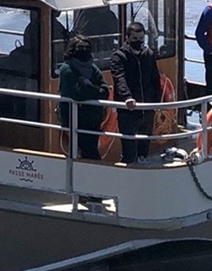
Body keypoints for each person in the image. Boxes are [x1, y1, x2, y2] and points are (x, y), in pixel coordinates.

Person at [109, 21, 162, 164]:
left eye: (141, 39)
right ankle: (128, 168)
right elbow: (119, 79)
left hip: (147, 108)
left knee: (144, 147)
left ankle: (143, 166)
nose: (138, 42)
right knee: (129, 149)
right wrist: (127, 97)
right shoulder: (118, 57)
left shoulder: (149, 55)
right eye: (134, 39)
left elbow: (155, 79)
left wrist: (157, 101)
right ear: (127, 38)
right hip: (128, 111)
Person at [56, 34, 106, 160]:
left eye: (86, 47)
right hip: (76, 119)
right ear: (73, 49)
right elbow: (76, 94)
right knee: (89, 152)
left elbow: (105, 90)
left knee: (91, 148)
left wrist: (90, 88)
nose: (84, 50)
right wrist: (96, 90)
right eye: (80, 47)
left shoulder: (93, 68)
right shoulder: (67, 69)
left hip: (94, 119)